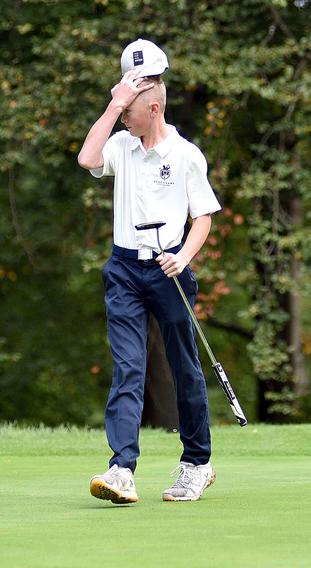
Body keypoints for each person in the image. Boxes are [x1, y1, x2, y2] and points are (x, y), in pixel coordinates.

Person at [76, 39, 221, 504]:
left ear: (154, 107)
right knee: (127, 368)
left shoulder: (186, 156)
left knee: (183, 367)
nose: (123, 118)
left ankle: (197, 463)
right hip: (124, 269)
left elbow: (203, 217)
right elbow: (87, 159)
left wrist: (185, 257)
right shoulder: (121, 145)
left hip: (170, 270)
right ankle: (121, 469)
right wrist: (114, 102)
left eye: (129, 111)